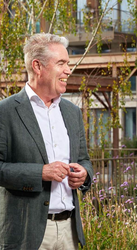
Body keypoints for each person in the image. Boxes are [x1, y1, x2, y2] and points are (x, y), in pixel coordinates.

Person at [0, 33, 93, 250]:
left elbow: (84, 160)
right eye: (61, 63)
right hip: (26, 235)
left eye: (68, 64)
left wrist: (85, 174)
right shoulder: (5, 112)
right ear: (37, 66)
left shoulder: (72, 113)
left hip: (70, 231)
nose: (68, 70)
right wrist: (40, 173)